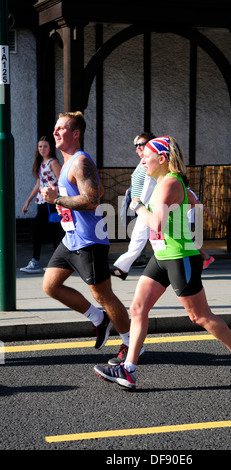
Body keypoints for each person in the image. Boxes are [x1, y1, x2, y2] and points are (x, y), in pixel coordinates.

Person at [94, 136, 231, 390]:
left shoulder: (170, 183)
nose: (142, 160)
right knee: (138, 309)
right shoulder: (166, 182)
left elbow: (156, 223)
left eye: (146, 156)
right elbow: (190, 201)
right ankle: (128, 370)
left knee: (199, 316)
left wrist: (137, 205)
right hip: (161, 257)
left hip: (180, 258)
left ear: (162, 159)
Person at [41, 111, 132, 352]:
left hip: (89, 240)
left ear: (76, 133)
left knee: (104, 296)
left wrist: (57, 198)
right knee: (51, 286)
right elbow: (98, 189)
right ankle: (99, 320)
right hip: (71, 239)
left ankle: (131, 345)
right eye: (55, 128)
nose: (55, 132)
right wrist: (63, 201)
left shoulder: (81, 161)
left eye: (61, 128)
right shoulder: (70, 164)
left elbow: (92, 201)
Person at [110, 132, 156, 281]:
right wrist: (130, 191)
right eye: (136, 146)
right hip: (140, 206)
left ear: (150, 145)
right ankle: (122, 268)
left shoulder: (151, 162)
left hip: (148, 206)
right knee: (141, 238)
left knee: (142, 237)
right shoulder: (143, 162)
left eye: (140, 145)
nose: (137, 148)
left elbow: (151, 184)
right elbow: (139, 181)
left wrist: (140, 203)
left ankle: (122, 268)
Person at [20, 136, 63, 274]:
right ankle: (58, 262)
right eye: (40, 147)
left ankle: (36, 262)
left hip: (51, 201)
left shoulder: (53, 162)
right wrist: (28, 201)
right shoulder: (41, 163)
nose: (42, 149)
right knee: (52, 232)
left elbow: (62, 181)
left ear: (50, 148)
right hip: (42, 200)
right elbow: (39, 184)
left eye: (45, 146)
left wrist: (58, 196)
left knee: (37, 228)